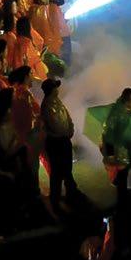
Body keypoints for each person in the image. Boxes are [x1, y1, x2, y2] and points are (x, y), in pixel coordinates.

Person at [40, 78, 82, 211]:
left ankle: (71, 193)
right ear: (52, 90)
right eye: (55, 87)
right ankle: (56, 200)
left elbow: (68, 118)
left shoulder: (57, 102)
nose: (58, 89)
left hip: (64, 140)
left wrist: (70, 130)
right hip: (56, 142)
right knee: (57, 172)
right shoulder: (47, 105)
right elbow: (55, 125)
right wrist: (66, 133)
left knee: (66, 169)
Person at [100, 87, 131, 199]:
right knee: (122, 173)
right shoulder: (116, 114)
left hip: (128, 149)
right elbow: (108, 134)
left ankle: (121, 189)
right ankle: (122, 198)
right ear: (127, 102)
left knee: (124, 172)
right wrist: (111, 154)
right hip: (120, 151)